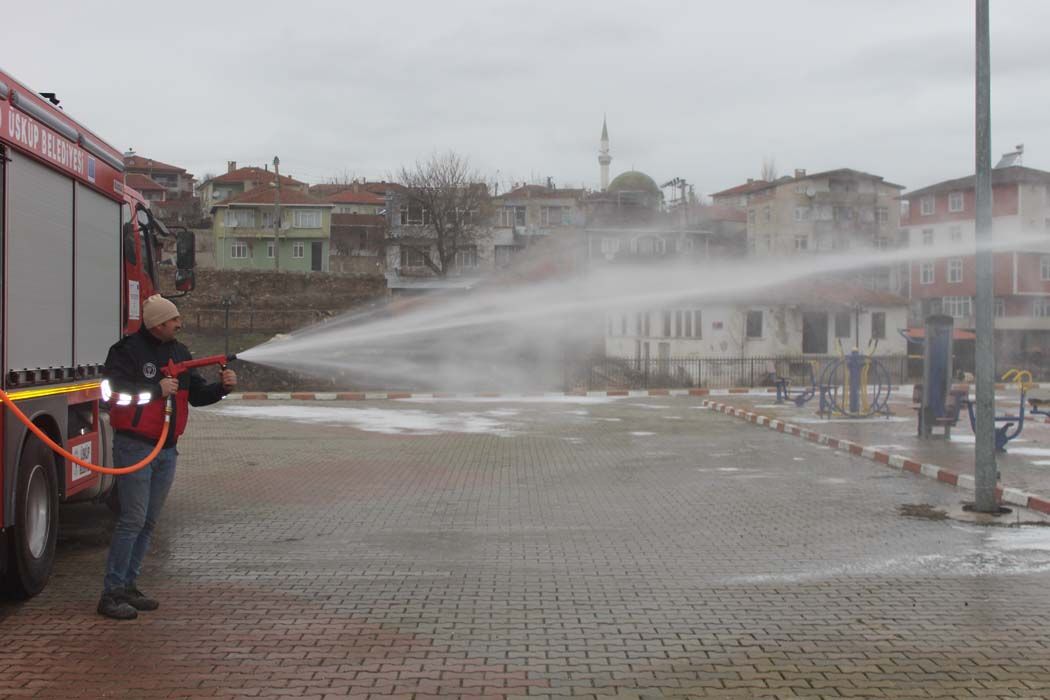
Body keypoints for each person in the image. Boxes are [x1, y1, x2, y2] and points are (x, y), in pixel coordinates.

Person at [97, 295, 236, 620]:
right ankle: (111, 593)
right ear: (158, 323)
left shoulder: (179, 352)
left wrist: (222, 388)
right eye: (174, 320)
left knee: (147, 522)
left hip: (167, 449)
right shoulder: (126, 352)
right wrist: (154, 390)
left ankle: (129, 586)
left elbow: (197, 395)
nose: (179, 323)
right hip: (136, 446)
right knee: (131, 520)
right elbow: (111, 392)